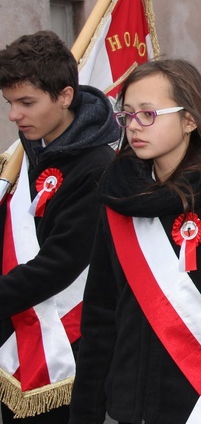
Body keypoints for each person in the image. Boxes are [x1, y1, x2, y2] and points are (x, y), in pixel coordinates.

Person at [69, 60, 201, 422]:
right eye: (128, 114)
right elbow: (100, 321)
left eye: (149, 114)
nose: (134, 126)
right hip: (130, 408)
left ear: (189, 120)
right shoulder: (116, 200)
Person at [0, 31, 119, 422]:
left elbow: (61, 263)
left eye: (26, 103)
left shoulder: (96, 167)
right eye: (10, 104)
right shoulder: (27, 150)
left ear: (65, 96)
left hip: (70, 343)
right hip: (15, 327)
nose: (15, 116)